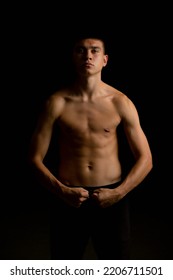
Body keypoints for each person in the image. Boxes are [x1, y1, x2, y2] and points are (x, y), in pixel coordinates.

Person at [28, 32, 153, 260]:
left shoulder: (120, 102)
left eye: (95, 50)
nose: (88, 55)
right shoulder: (56, 103)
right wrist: (61, 191)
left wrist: (119, 193)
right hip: (67, 198)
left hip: (112, 199)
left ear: (105, 60)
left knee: (117, 270)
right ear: (72, 57)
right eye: (80, 50)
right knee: (63, 268)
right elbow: (34, 158)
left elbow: (146, 159)